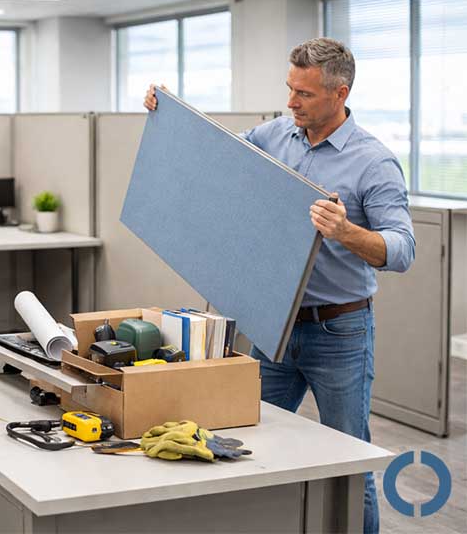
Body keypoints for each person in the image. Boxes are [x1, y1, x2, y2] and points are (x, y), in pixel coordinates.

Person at [144, 37, 415, 534]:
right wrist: (169, 113)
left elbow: (402, 250)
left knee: (351, 463)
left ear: (340, 93)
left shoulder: (373, 162)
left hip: (340, 333)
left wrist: (345, 230)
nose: (291, 102)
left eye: (304, 94)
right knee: (251, 442)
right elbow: (219, 157)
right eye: (290, 89)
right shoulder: (276, 135)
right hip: (274, 325)